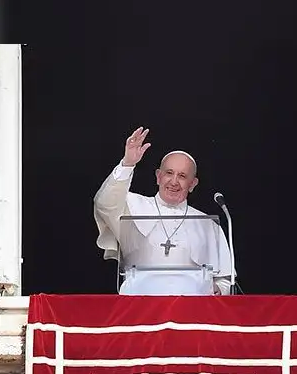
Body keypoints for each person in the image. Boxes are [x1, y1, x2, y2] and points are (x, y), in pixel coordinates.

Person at [93, 126, 234, 296]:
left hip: (193, 312)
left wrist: (217, 290)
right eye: (169, 173)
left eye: (182, 176)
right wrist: (128, 163)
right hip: (138, 307)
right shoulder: (132, 206)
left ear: (193, 184)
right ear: (158, 176)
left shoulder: (208, 224)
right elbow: (104, 203)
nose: (174, 181)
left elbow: (225, 279)